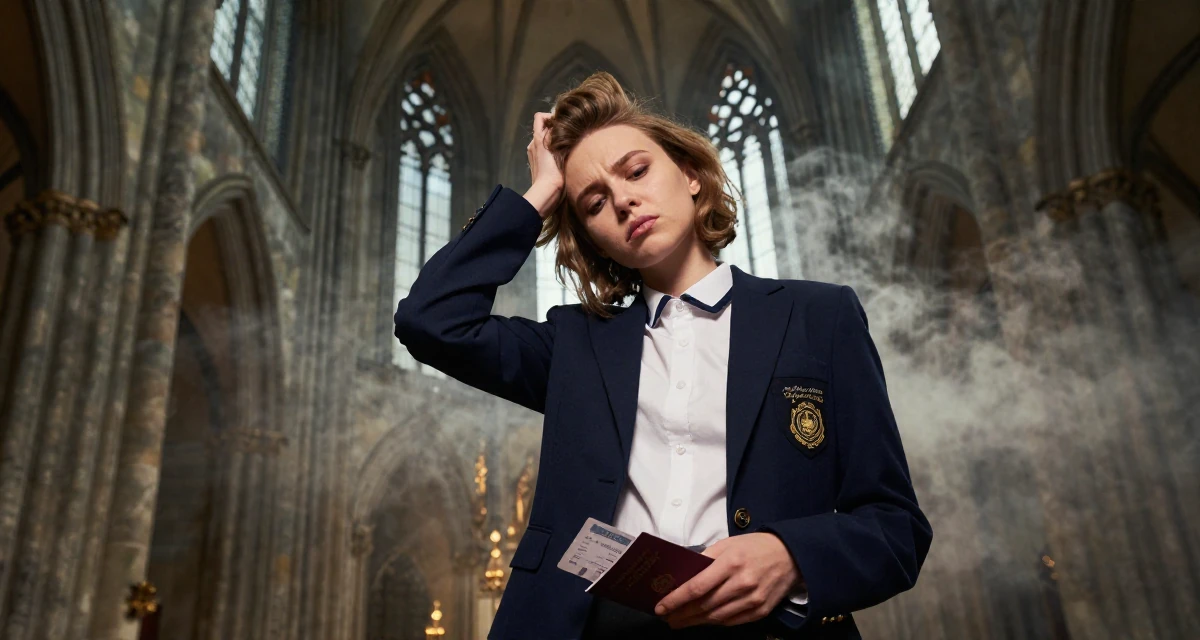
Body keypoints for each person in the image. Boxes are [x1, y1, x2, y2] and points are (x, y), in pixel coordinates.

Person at [394, 72, 931, 639]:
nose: (624, 200)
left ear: (691, 174)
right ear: (593, 238)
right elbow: (431, 321)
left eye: (636, 171)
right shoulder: (575, 344)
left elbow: (895, 528)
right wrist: (542, 194)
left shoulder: (820, 316)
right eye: (594, 203)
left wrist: (790, 555)